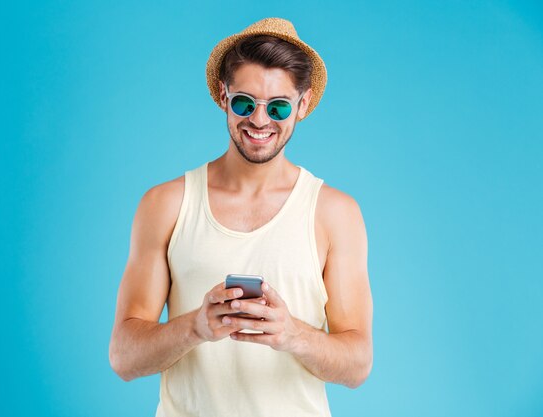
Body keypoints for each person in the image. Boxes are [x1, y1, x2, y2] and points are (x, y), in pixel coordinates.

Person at [109, 17, 373, 417]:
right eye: (244, 103)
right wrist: (195, 327)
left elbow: (357, 365)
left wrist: (291, 334)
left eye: (279, 106)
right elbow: (124, 357)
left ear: (302, 104)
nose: (260, 121)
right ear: (222, 95)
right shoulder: (165, 204)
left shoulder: (335, 214)